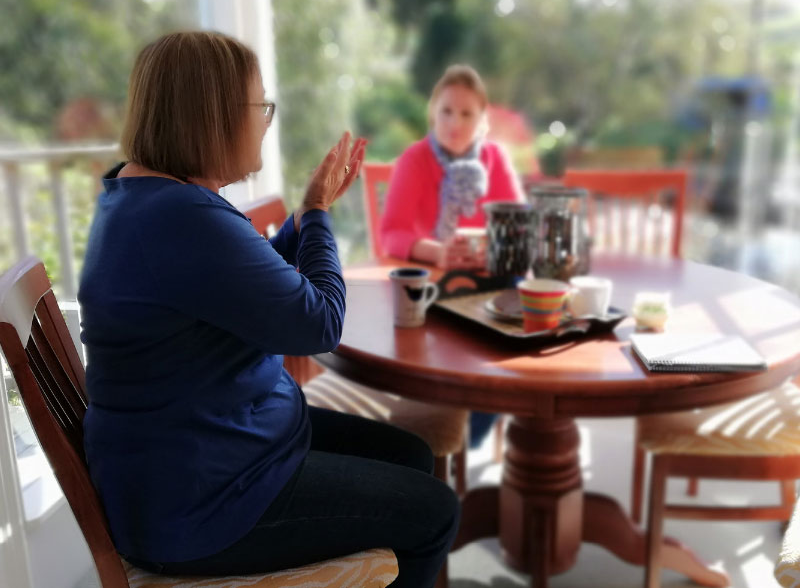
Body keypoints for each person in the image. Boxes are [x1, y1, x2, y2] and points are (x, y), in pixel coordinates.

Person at [78, 31, 459, 588]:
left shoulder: (146, 199)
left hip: (212, 457)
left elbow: (247, 279)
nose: (265, 121)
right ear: (213, 115)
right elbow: (320, 323)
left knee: (409, 453)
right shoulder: (182, 219)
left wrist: (305, 220)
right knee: (435, 511)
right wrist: (318, 212)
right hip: (204, 506)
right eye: (261, 107)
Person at [380, 64, 526, 446]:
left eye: (466, 113)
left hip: (489, 279)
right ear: (433, 112)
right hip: (434, 284)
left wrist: (487, 252)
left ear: (482, 120)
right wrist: (439, 252)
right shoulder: (414, 160)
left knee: (513, 332)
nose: (455, 123)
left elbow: (517, 227)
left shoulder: (495, 159)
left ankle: (457, 438)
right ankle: (441, 438)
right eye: (446, 111)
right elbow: (391, 233)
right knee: (475, 337)